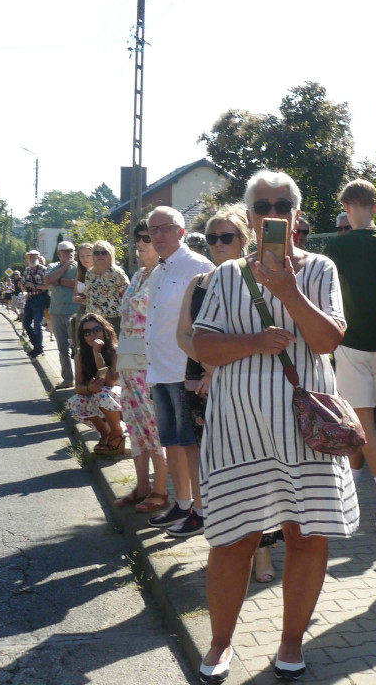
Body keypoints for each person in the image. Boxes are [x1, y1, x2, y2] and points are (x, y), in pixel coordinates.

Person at [191, 170, 357, 682]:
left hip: (304, 431)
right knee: (234, 538)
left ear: (296, 213)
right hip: (238, 429)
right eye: (262, 205)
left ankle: (290, 642)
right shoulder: (225, 275)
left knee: (305, 534)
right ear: (250, 215)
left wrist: (287, 289)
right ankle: (221, 643)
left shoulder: (321, 268)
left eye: (282, 204)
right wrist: (255, 342)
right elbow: (202, 347)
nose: (273, 213)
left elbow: (328, 340)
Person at [176, 203, 281, 584]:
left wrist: (221, 368)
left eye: (226, 237)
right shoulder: (200, 283)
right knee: (218, 470)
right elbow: (183, 334)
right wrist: (209, 367)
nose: (218, 244)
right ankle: (228, 545)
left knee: (258, 469)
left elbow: (269, 335)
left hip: (248, 385)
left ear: (245, 239)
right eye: (211, 238)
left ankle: (263, 551)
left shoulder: (259, 279)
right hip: (203, 386)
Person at [323, 179, 376, 528]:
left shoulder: (336, 248)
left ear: (347, 207)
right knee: (368, 425)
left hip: (351, 343)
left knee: (363, 426)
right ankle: (350, 493)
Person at [144, 206, 214, 537]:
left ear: (181, 232)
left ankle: (201, 510)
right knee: (170, 441)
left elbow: (210, 322)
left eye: (165, 228)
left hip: (185, 370)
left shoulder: (199, 267)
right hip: (159, 370)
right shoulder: (156, 272)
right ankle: (182, 503)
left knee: (190, 445)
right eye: (152, 230)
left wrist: (207, 370)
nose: (157, 235)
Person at [115, 219, 171, 513]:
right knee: (135, 425)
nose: (140, 243)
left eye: (146, 238)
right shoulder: (137, 275)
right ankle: (142, 486)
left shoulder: (164, 275)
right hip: (129, 361)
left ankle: (161, 491)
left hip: (150, 363)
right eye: (138, 238)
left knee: (153, 427)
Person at [67, 312, 126, 456]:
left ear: (104, 331)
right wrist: (88, 388)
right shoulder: (81, 355)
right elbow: (78, 387)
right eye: (87, 332)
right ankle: (106, 434)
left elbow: (111, 380)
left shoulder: (115, 350)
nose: (92, 335)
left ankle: (118, 434)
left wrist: (97, 353)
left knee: (103, 393)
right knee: (75, 402)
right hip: (99, 396)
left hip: (120, 396)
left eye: (96, 330)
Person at [44, 241, 81, 389]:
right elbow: (47, 280)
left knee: (77, 348)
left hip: (74, 312)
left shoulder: (79, 267)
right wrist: (64, 269)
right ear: (59, 254)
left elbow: (78, 284)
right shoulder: (52, 266)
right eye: (65, 251)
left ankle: (80, 379)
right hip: (57, 312)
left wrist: (58, 281)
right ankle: (67, 379)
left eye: (71, 250)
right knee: (62, 348)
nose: (69, 253)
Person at [83, 240, 129, 335]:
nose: (100, 256)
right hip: (93, 320)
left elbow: (127, 297)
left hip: (114, 320)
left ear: (110, 254)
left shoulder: (117, 273)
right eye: (96, 253)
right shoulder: (89, 273)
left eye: (104, 252)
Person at [21, 249, 49, 356]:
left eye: (34, 257)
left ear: (38, 257)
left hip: (40, 298)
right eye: (30, 257)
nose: (32, 258)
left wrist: (35, 286)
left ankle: (39, 347)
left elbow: (48, 286)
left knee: (37, 324)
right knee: (26, 323)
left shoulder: (43, 269)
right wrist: (24, 293)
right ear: (27, 258)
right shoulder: (27, 270)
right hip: (30, 298)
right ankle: (37, 346)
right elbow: (22, 283)